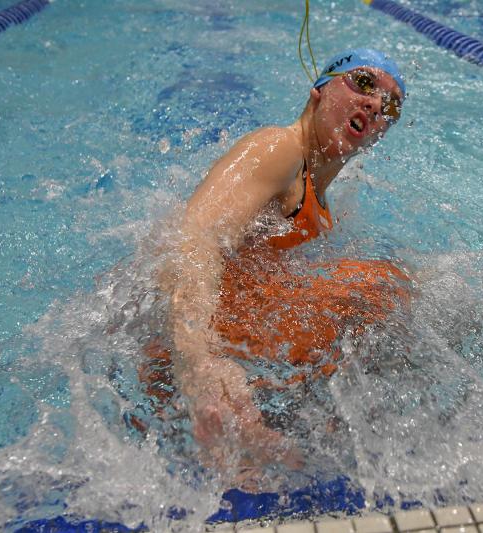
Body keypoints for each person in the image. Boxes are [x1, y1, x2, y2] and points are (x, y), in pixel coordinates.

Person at [160, 49, 410, 477]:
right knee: (384, 286)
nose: (374, 104)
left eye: (390, 106)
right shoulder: (279, 148)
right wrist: (197, 361)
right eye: (364, 83)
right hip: (194, 357)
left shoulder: (322, 200)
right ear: (318, 90)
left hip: (237, 355)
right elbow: (192, 241)